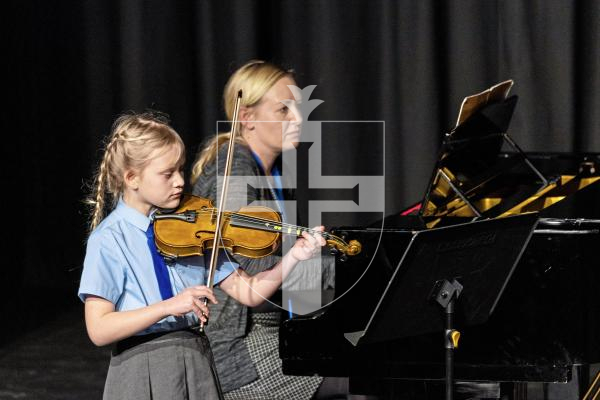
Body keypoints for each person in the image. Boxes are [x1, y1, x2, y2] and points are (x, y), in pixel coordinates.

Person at [78, 111, 325, 400]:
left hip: (195, 361)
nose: (180, 181)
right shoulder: (109, 239)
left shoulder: (190, 227)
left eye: (181, 169)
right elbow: (98, 329)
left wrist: (294, 256)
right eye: (167, 174)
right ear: (132, 178)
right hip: (140, 366)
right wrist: (168, 306)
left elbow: (250, 293)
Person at [190, 60, 343, 400]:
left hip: (273, 329)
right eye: (284, 110)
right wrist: (340, 264)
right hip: (238, 346)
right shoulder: (235, 175)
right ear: (248, 117)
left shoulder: (271, 173)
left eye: (298, 109)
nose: (298, 120)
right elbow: (261, 273)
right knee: (360, 380)